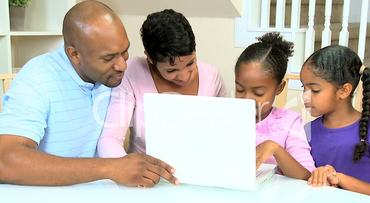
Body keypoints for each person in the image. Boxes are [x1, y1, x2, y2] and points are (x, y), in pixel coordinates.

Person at [0, 0, 178, 187]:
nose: (122, 66)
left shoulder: (119, 74)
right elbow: (5, 160)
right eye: (108, 58)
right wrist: (110, 168)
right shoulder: (37, 78)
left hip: (100, 197)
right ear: (75, 55)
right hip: (48, 202)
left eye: (124, 52)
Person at [97, 9, 227, 157]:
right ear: (150, 60)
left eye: (190, 63)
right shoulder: (132, 73)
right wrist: (129, 172)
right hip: (148, 174)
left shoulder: (211, 75)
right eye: (171, 71)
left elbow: (226, 132)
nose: (184, 77)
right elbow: (110, 139)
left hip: (201, 168)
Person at [301, 45, 370, 203]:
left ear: (344, 91)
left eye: (314, 89)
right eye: (303, 87)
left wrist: (340, 179)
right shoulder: (306, 131)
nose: (305, 96)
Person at [234, 32, 315, 180]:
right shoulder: (224, 116)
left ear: (279, 87)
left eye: (258, 92)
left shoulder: (289, 122)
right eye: (239, 89)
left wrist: (275, 148)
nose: (246, 99)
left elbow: (306, 175)